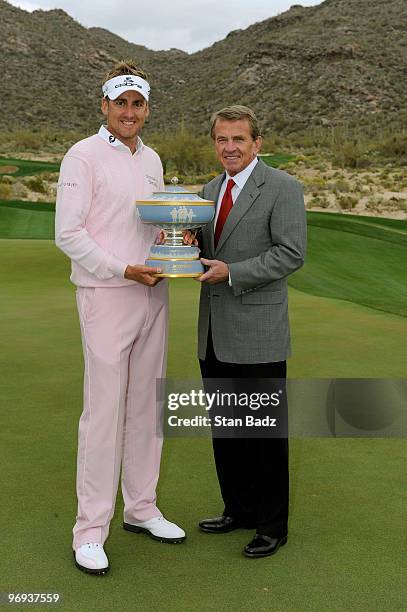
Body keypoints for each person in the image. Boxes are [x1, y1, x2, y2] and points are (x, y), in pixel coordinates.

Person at [55, 60, 185, 576]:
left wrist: (174, 246)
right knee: (104, 412)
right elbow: (69, 234)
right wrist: (122, 269)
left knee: (146, 407)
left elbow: (149, 225)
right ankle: (90, 530)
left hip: (152, 292)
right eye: (121, 103)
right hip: (107, 293)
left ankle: (141, 507)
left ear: (146, 109)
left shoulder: (151, 159)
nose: (129, 111)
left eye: (138, 103)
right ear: (104, 106)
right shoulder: (81, 156)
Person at [194, 105, 306, 558]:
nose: (230, 147)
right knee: (227, 430)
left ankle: (271, 525)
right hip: (213, 332)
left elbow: (291, 253)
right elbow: (202, 248)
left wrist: (233, 272)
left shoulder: (283, 188)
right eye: (222, 139)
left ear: (257, 144)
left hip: (258, 330)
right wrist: (178, 245)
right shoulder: (207, 190)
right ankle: (237, 509)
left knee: (263, 434)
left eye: (239, 139)